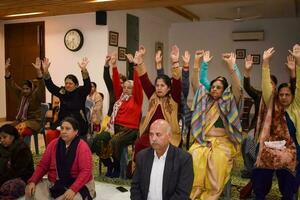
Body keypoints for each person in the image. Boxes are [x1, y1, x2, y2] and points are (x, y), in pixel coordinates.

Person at [189, 51, 243, 200]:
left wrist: (232, 67)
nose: (214, 89)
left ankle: (211, 194)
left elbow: (238, 87)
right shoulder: (205, 100)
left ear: (225, 90)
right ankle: (195, 191)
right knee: (194, 155)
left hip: (225, 142)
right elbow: (195, 83)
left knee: (217, 159)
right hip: (203, 139)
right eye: (212, 86)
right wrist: (197, 63)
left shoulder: (229, 102)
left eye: (218, 87)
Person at [252, 47, 300, 200]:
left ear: (293, 96)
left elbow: (298, 86)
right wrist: (265, 63)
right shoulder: (272, 104)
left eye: (287, 94)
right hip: (270, 147)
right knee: (261, 169)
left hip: (291, 148)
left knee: (289, 174)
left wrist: (298, 63)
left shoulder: (295, 107)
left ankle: (288, 195)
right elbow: (266, 86)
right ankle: (260, 195)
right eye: (281, 94)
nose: (284, 97)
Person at [25, 117, 96, 200]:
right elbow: (43, 165)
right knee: (30, 191)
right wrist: (33, 181)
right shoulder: (53, 144)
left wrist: (73, 189)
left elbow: (85, 171)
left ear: (76, 132)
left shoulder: (82, 147)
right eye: (62, 128)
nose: (64, 131)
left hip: (78, 184)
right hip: (54, 182)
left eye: (67, 129)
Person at [134, 45, 182, 159]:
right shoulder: (152, 95)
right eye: (157, 85)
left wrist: (175, 62)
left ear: (169, 88)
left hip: (168, 135)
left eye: (162, 86)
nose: (159, 88)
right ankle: (142, 173)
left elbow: (177, 81)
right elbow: (144, 79)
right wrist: (140, 61)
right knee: (140, 144)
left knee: (159, 147)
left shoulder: (174, 98)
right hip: (150, 133)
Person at [130, 119, 194, 200]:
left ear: (169, 136)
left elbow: (182, 193)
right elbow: (135, 187)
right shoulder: (142, 156)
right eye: (151, 134)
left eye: (158, 134)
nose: (153, 139)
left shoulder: (184, 159)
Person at [105, 51, 143, 178]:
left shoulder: (137, 99)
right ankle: (110, 165)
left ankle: (116, 168)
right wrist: (114, 65)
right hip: (115, 127)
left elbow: (137, 83)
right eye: (125, 87)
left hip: (130, 130)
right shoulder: (120, 97)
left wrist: (135, 66)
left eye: (129, 87)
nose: (126, 89)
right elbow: (116, 82)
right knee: (97, 141)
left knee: (114, 141)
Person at [42, 57, 91, 138]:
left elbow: (88, 87)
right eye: (66, 83)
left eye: (70, 83)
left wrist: (84, 70)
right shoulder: (63, 92)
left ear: (76, 85)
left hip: (77, 122)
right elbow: (51, 87)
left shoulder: (80, 91)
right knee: (51, 133)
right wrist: (46, 71)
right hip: (62, 121)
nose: (67, 85)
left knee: (71, 135)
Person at [5, 57, 45, 146]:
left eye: (27, 89)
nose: (25, 91)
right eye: (23, 88)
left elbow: (41, 86)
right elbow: (11, 85)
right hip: (19, 121)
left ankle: (23, 151)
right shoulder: (21, 94)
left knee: (21, 130)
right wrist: (7, 71)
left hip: (33, 122)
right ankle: (10, 152)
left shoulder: (36, 96)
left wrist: (38, 71)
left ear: (32, 89)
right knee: (6, 130)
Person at [0, 124, 34, 199]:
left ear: (12, 137)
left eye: (4, 137)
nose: (2, 140)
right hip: (5, 177)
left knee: (12, 186)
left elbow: (17, 172)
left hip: (21, 179)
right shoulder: (2, 148)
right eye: (0, 138)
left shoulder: (22, 149)